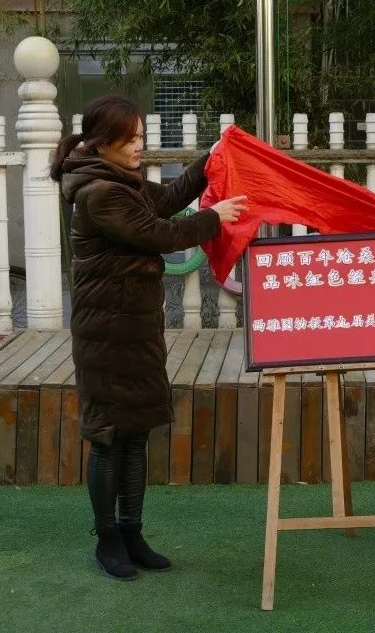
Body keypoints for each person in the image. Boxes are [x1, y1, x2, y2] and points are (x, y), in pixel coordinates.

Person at [50, 94, 247, 581]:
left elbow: (173, 195)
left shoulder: (124, 180)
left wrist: (215, 157)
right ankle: (107, 539)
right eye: (131, 139)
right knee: (109, 437)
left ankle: (132, 532)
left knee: (136, 434)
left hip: (136, 326)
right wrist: (214, 218)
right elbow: (159, 233)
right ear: (103, 143)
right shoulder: (99, 193)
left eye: (141, 136)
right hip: (105, 331)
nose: (141, 146)